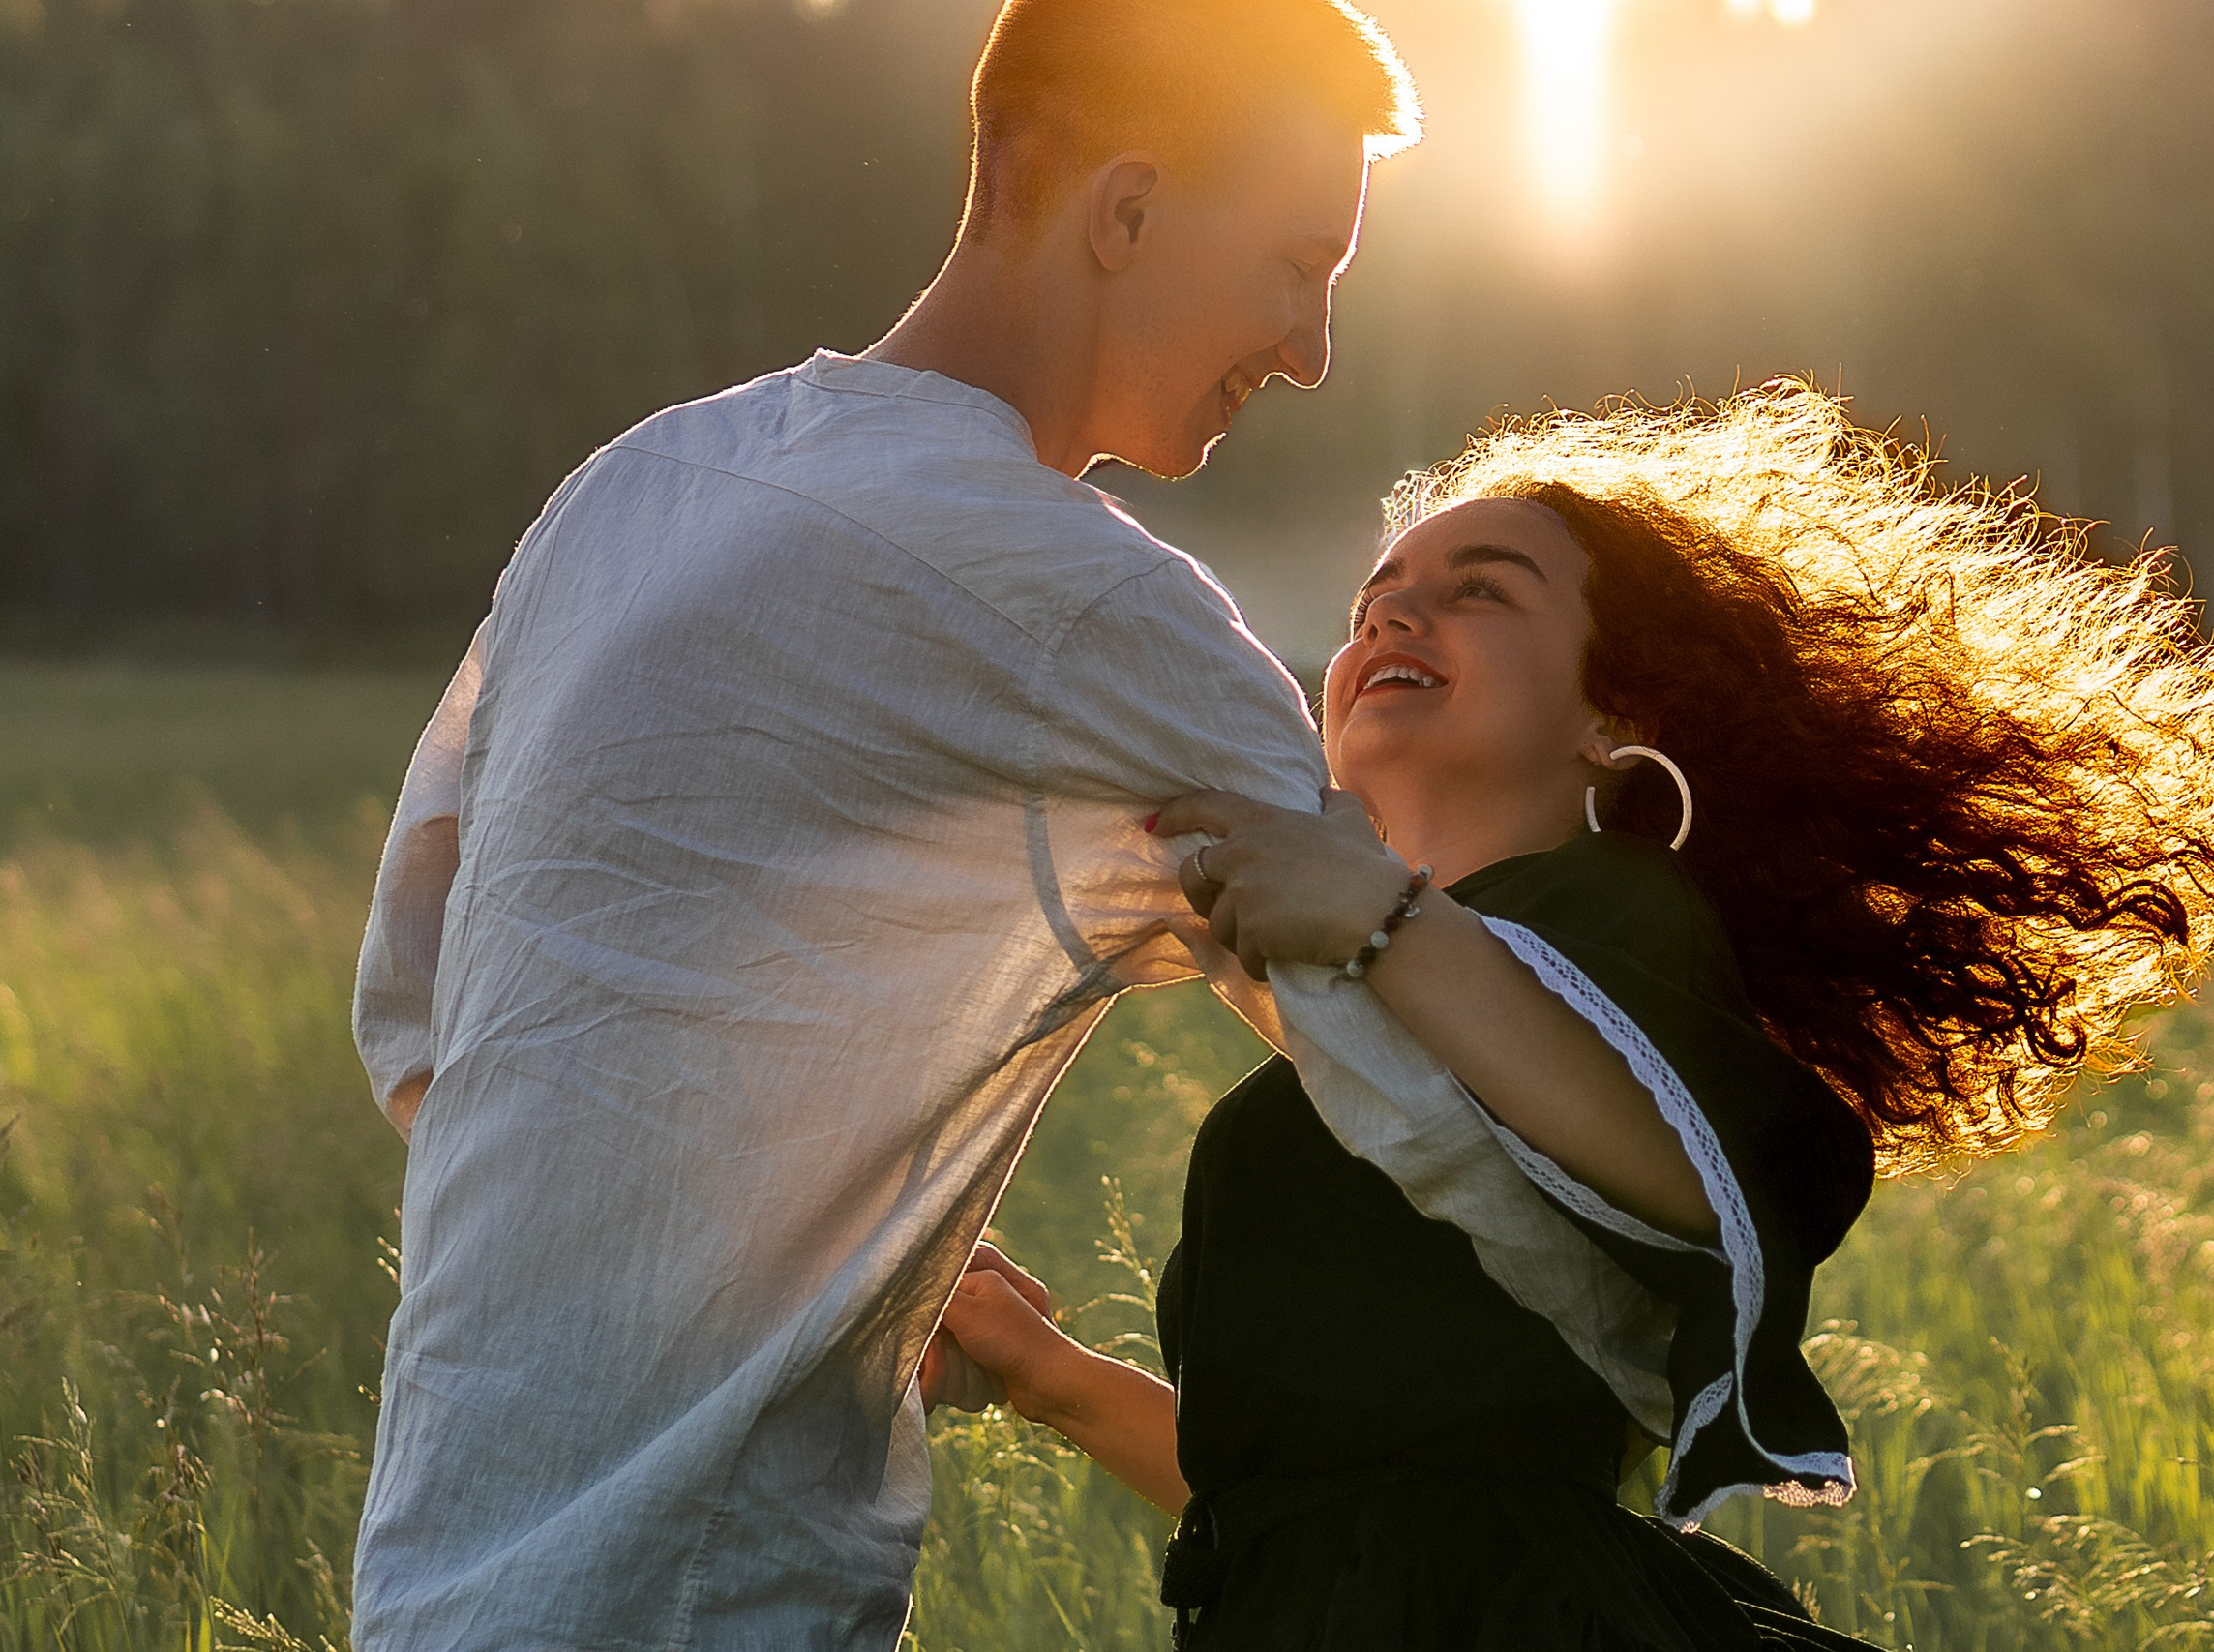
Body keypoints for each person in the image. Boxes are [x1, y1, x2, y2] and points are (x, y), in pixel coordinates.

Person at [347, 3, 1434, 1646]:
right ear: (1125, 214)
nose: (1311, 348)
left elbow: (423, 1025)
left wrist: (748, 1236)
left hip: (436, 1575)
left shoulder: (636, 488)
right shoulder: (1093, 613)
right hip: (708, 1604)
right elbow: (1427, 1061)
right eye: (1302, 264)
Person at [931, 385, 2214, 1648]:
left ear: (1611, 715)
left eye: (1480, 593)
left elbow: (1707, 1180)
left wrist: (1380, 918)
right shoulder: (1378, 1029)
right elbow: (1304, 1506)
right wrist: (1042, 1373)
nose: (1394, 622)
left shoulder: (1617, 921)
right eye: (1373, 601)